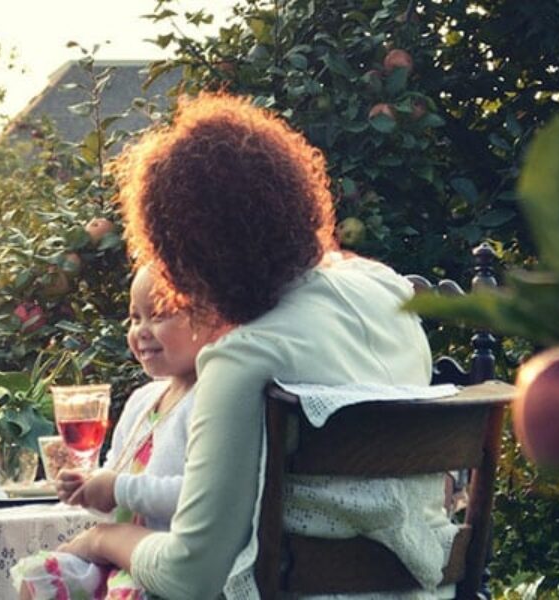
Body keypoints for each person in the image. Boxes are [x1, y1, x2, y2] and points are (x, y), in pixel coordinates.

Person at [55, 93, 450, 599]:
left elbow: (190, 576)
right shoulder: (388, 292)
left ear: (187, 256)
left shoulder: (243, 357)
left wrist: (101, 538)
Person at [12, 263, 223, 599]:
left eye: (158, 315)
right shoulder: (143, 401)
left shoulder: (208, 399)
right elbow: (114, 488)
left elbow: (197, 494)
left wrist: (117, 488)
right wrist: (88, 489)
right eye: (135, 318)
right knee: (41, 575)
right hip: (121, 556)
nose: (142, 330)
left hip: (163, 560)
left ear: (211, 320)